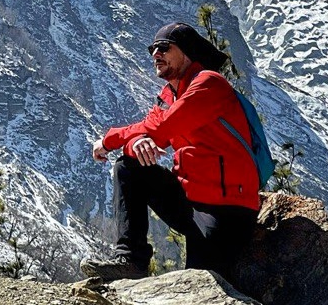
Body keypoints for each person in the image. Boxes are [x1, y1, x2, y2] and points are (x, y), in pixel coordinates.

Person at [81, 21, 260, 284]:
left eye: (163, 47)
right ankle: (132, 260)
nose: (155, 54)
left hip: (225, 210)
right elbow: (148, 132)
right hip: (190, 200)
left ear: (186, 51)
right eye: (152, 49)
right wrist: (136, 143)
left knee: (201, 285)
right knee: (127, 167)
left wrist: (110, 139)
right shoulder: (168, 97)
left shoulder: (209, 83)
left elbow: (162, 128)